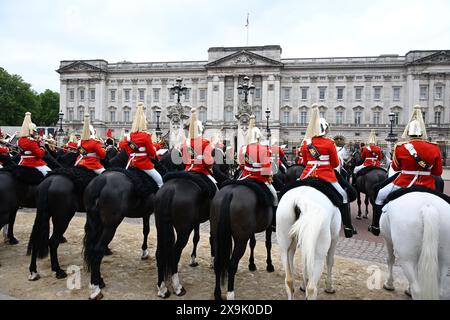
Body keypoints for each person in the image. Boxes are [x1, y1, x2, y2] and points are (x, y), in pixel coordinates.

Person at [370, 105, 443, 236]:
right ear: (422, 132)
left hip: (404, 182)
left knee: (380, 195)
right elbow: (437, 172)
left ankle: (375, 225)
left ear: (408, 132)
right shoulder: (434, 147)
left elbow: (396, 168)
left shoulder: (401, 147)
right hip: (427, 184)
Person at [299, 105, 355, 238]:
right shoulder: (330, 143)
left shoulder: (307, 143)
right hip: (326, 176)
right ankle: (347, 226)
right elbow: (335, 163)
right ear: (325, 130)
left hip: (307, 174)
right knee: (343, 195)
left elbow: (306, 162)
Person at [238, 116, 278, 211]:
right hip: (260, 178)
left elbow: (241, 164)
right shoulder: (264, 149)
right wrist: (269, 176)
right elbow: (266, 168)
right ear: (258, 137)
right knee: (275, 197)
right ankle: (273, 221)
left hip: (246, 176)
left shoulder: (244, 148)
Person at [119, 102, 163, 187]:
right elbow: (151, 153)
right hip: (144, 164)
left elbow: (125, 149)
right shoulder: (145, 136)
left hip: (131, 163)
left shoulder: (129, 136)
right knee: (160, 180)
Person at [181, 108, 217, 188]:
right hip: (201, 170)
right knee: (215, 186)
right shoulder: (205, 142)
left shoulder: (185, 143)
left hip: (187, 170)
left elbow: (184, 160)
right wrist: (210, 167)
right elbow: (208, 161)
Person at [17, 112, 51, 176]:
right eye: (34, 131)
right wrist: (42, 146)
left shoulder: (20, 140)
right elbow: (40, 155)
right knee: (49, 173)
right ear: (31, 131)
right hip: (33, 163)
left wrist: (37, 142)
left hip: (22, 162)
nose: (35, 133)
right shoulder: (31, 141)